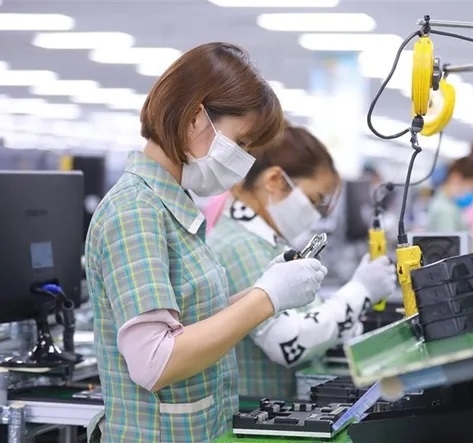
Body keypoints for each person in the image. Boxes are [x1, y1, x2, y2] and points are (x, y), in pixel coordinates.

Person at [84, 43, 329, 443]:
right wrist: (266, 298)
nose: (244, 162)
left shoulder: (172, 207)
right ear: (196, 118)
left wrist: (264, 288)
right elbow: (154, 362)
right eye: (241, 142)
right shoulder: (135, 211)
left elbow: (189, 322)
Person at [206, 123, 396, 398]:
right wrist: (360, 292)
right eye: (313, 200)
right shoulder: (239, 245)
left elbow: (306, 314)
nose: (316, 215)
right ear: (274, 181)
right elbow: (287, 343)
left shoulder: (266, 242)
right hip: (255, 408)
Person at [427, 156, 473, 234]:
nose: (472, 193)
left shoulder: (450, 205)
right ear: (456, 178)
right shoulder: (445, 211)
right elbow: (449, 240)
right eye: (472, 188)